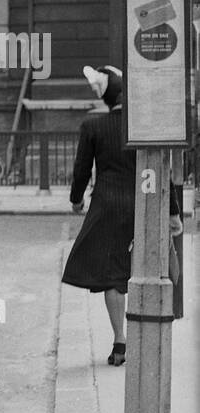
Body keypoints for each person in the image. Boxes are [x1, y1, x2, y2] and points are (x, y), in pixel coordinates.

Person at [62, 65, 135, 364]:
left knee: (114, 276)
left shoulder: (93, 126)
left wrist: (76, 200)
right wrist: (172, 212)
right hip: (144, 202)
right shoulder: (140, 125)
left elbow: (82, 170)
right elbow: (160, 167)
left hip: (108, 206)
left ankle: (120, 340)